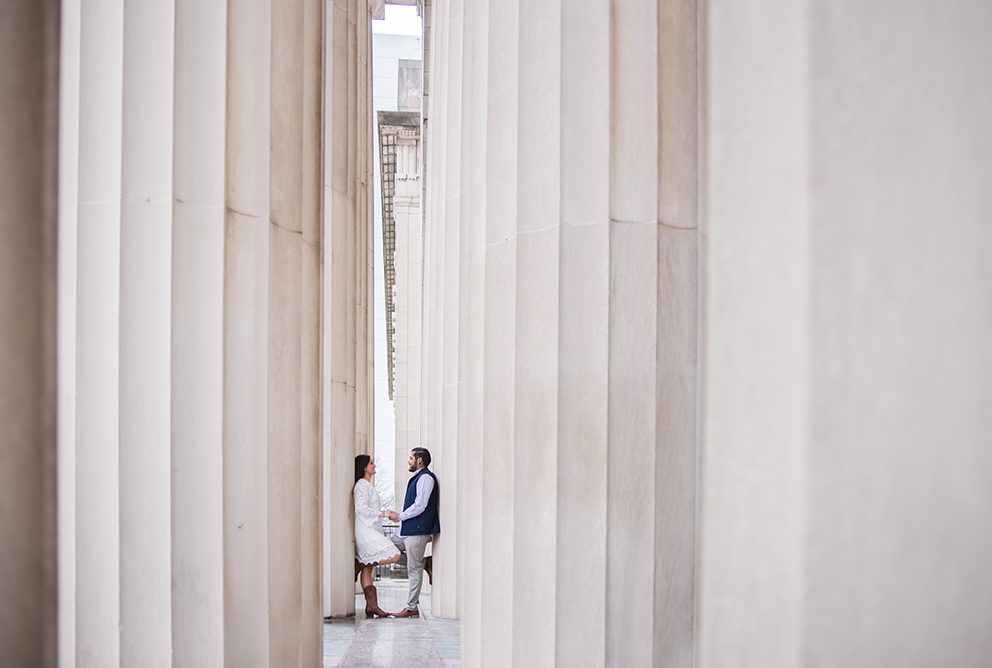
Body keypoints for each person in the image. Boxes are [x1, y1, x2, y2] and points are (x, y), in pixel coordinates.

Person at [383, 447, 440, 618]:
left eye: (410, 458)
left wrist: (400, 516)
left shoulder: (426, 479)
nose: (409, 461)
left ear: (419, 460)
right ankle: (424, 563)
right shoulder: (417, 478)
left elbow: (420, 505)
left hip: (418, 531)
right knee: (387, 547)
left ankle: (411, 607)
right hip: (407, 530)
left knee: (413, 570)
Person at [353, 454, 401, 618]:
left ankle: (372, 606)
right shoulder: (361, 485)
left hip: (372, 528)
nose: (374, 465)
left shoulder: (368, 485)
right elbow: (360, 508)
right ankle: (360, 562)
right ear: (363, 467)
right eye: (371, 463)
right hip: (364, 529)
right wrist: (383, 513)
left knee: (368, 568)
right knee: (394, 555)